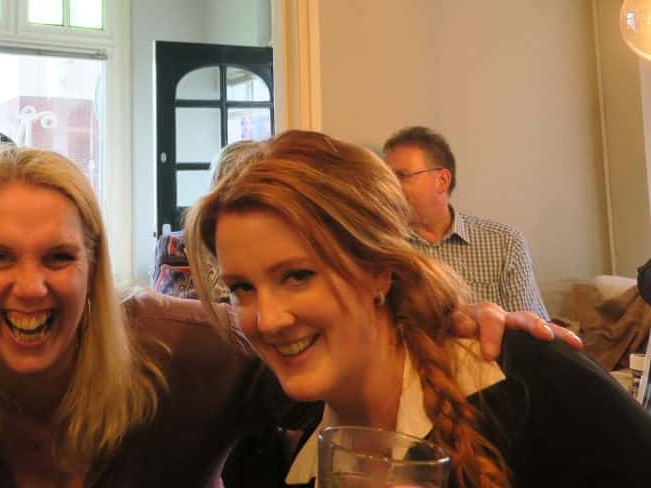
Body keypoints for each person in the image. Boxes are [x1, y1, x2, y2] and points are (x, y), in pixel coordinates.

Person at [0, 143, 578, 488]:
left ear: (94, 265)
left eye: (59, 257)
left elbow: (354, 367)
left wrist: (446, 320)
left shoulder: (186, 351)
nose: (30, 287)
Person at [186, 130, 651, 488]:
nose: (267, 319)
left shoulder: (528, 380)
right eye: (242, 288)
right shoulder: (278, 448)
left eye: (298, 276)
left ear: (378, 270)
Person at [382, 125, 548, 318]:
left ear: (442, 180)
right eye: (387, 178)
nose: (390, 187)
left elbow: (532, 329)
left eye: (402, 176)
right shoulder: (385, 248)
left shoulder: (506, 243)